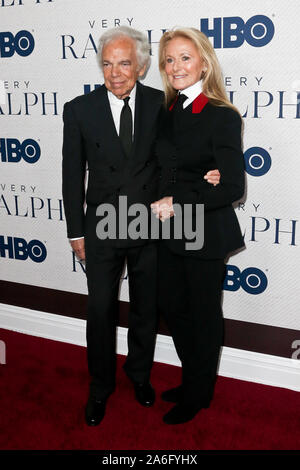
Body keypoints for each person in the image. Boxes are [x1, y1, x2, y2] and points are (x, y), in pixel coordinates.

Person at [62, 26, 220, 427]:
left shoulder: (161, 104)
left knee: (145, 310)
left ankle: (139, 377)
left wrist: (213, 170)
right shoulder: (78, 109)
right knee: (100, 311)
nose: (115, 73)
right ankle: (100, 388)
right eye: (107, 64)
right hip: (100, 228)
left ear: (143, 66)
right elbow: (70, 175)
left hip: (149, 227)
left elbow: (184, 151)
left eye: (125, 63)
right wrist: (75, 232)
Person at [151, 27, 245, 425]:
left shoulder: (222, 115)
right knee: (173, 309)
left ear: (204, 62)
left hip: (205, 231)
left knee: (204, 315)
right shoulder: (166, 111)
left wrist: (182, 198)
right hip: (168, 231)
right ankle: (195, 378)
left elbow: (233, 187)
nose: (176, 67)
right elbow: (163, 170)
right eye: (169, 59)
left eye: (185, 58)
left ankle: (199, 391)